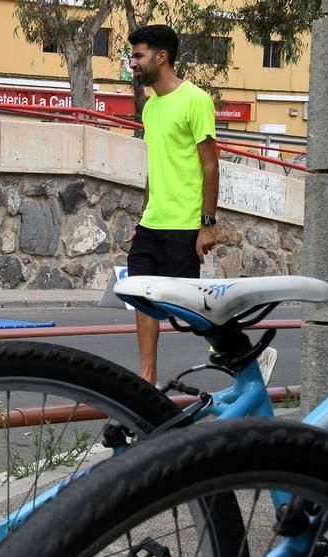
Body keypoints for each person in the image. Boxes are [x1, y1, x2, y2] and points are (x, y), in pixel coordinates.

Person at [126, 25, 219, 385]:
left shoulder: (195, 99)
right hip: (152, 224)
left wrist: (207, 224)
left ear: (161, 57)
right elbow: (154, 167)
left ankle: (236, 350)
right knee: (140, 294)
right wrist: (142, 219)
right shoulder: (150, 107)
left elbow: (210, 164)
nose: (132, 63)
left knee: (189, 310)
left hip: (184, 224)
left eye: (138, 55)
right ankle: (146, 378)